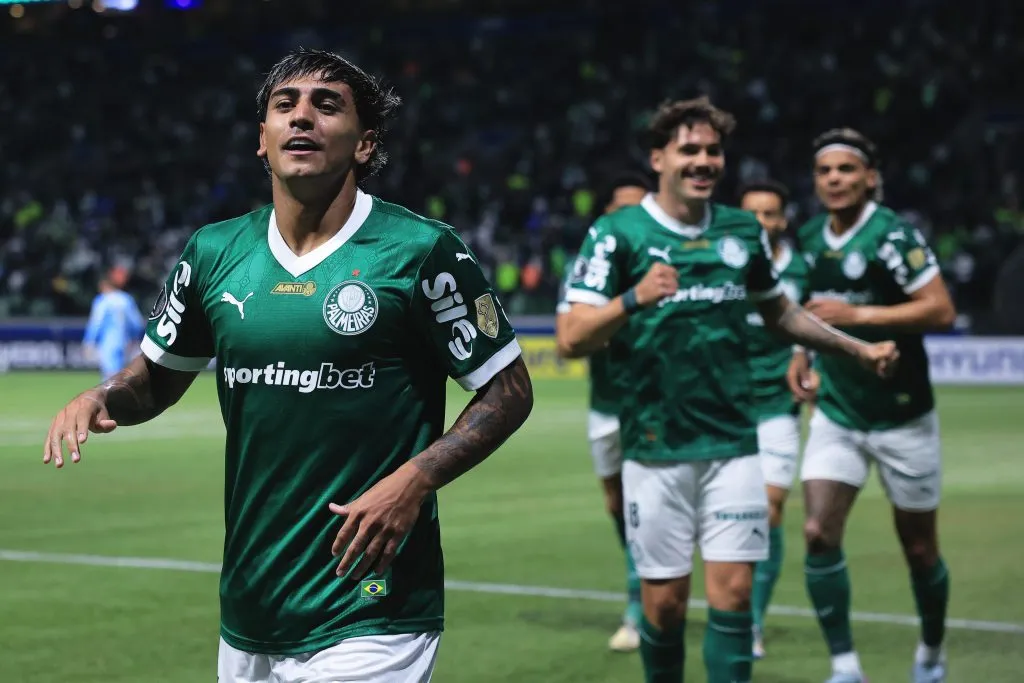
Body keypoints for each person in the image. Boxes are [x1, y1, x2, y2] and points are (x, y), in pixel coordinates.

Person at [43, 48, 534, 683]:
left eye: (326, 105)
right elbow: (159, 377)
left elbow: (509, 388)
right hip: (251, 603)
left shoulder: (420, 251)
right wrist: (103, 396)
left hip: (370, 602)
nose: (302, 117)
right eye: (285, 105)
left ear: (365, 144)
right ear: (262, 140)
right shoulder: (214, 251)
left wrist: (414, 479)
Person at [558, 96, 899, 683]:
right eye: (689, 150)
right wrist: (634, 297)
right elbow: (570, 336)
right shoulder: (618, 234)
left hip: (735, 443)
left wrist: (856, 348)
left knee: (734, 597)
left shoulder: (741, 231)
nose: (703, 161)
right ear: (659, 158)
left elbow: (781, 313)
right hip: (656, 446)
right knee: (663, 605)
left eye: (713, 151)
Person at [789, 128, 956, 683]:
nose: (834, 179)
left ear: (870, 178)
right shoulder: (810, 238)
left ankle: (931, 653)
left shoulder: (893, 236)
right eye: (825, 171)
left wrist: (858, 316)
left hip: (903, 415)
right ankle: (845, 667)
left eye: (846, 169)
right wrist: (800, 352)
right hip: (837, 414)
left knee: (918, 549)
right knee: (817, 533)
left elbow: (940, 311)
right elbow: (802, 310)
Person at [555, 168, 653, 653]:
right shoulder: (589, 268)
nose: (627, 218)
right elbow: (568, 342)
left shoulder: (665, 266)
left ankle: (639, 608)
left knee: (641, 507)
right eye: (619, 209)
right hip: (606, 405)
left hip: (654, 406)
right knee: (619, 507)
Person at [736, 180, 812, 659]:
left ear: (783, 219)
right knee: (736, 515)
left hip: (778, 404)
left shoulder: (799, 267)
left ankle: (753, 622)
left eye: (771, 214)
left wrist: (805, 354)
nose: (762, 223)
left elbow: (809, 319)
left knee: (769, 510)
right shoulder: (721, 260)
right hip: (729, 402)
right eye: (753, 215)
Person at [82, 267, 145, 380]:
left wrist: (89, 341)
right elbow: (137, 323)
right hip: (124, 342)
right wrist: (134, 338)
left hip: (108, 343)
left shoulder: (102, 300)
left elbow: (96, 323)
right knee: (121, 372)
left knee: (109, 375)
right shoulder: (126, 299)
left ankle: (112, 396)